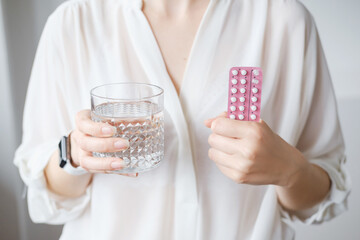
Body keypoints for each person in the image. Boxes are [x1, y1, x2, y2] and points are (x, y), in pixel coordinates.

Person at [14, 0, 351, 239]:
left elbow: (323, 194)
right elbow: (49, 200)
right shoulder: (73, 23)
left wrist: (290, 172)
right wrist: (73, 154)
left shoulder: (285, 22)